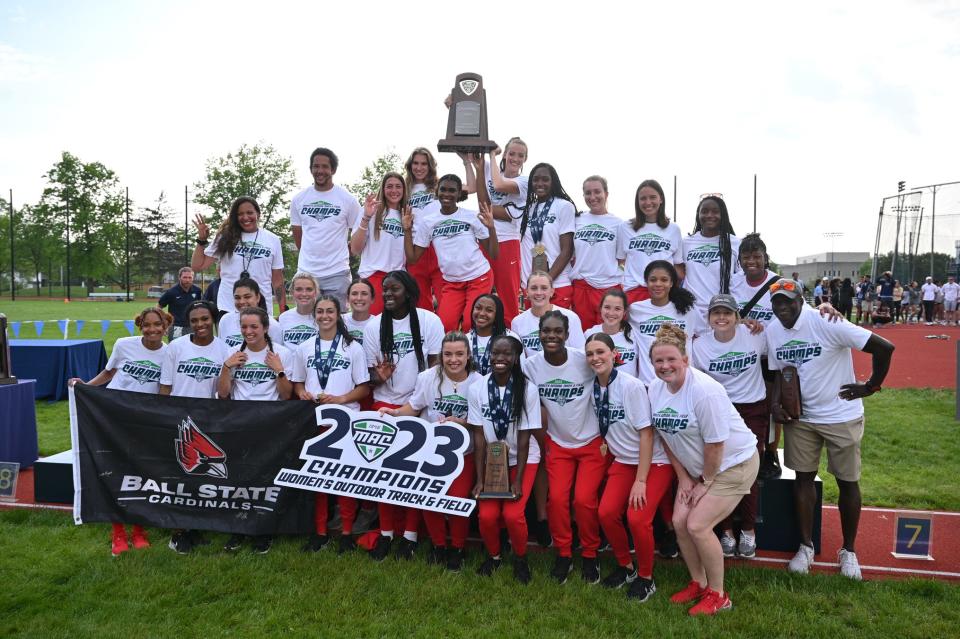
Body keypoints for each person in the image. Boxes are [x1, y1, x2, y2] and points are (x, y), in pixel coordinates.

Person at [765, 278, 894, 580]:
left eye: (788, 301)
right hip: (802, 418)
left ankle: (848, 551)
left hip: (840, 415)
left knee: (847, 482)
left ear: (802, 300)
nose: (783, 307)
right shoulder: (773, 330)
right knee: (803, 480)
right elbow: (775, 374)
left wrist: (871, 387)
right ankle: (806, 546)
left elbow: (884, 347)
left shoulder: (826, 320)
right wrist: (775, 405)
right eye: (777, 303)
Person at [647, 323, 759, 616]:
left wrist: (704, 482)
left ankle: (719, 595)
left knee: (697, 524)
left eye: (671, 359)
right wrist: (684, 479)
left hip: (734, 464)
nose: (665, 365)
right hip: (700, 470)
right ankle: (698, 582)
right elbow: (666, 434)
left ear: (686, 360)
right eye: (658, 360)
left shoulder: (705, 392)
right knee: (679, 521)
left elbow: (716, 445)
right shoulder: (656, 389)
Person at [69, 306, 172, 556]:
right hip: (114, 418)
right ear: (140, 326)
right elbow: (109, 372)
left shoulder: (170, 353)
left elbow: (165, 389)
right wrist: (86, 388)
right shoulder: (124, 344)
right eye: (146, 325)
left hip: (144, 422)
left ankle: (138, 530)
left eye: (157, 324)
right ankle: (117, 531)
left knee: (139, 473)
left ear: (165, 326)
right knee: (115, 472)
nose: (152, 329)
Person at [380, 331, 482, 571]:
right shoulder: (428, 377)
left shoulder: (479, 382)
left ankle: (458, 547)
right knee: (430, 499)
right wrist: (393, 413)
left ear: (468, 355)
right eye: (448, 354)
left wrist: (462, 422)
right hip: (431, 452)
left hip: (463, 453)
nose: (453, 359)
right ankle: (438, 546)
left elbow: (482, 423)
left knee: (457, 501)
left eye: (459, 354)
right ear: (441, 355)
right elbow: (414, 407)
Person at [362, 270, 444, 560]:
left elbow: (437, 368)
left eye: (393, 289)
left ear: (408, 292)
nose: (386, 295)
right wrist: (378, 377)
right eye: (384, 290)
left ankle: (409, 536)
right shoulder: (374, 327)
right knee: (382, 476)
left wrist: (420, 404)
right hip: (384, 406)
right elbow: (370, 375)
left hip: (419, 408)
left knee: (413, 477)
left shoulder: (428, 321)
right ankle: (386, 534)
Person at [586, 334, 671, 602]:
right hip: (624, 460)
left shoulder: (630, 386)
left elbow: (646, 434)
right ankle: (628, 567)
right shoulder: (593, 387)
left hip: (653, 461)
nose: (595, 358)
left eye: (601, 352)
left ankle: (646, 577)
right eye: (590, 354)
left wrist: (641, 480)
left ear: (614, 354)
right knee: (607, 512)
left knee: (637, 518)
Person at [523, 311, 605, 584]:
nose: (552, 336)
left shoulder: (584, 361)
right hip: (557, 443)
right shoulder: (531, 366)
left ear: (567, 335)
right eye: (546, 331)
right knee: (557, 500)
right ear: (539, 334)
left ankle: (591, 554)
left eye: (558, 331)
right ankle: (564, 553)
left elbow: (608, 382)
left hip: (591, 441)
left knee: (583, 501)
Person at [691, 294, 768, 560]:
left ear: (738, 316)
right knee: (719, 468)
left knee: (749, 468)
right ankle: (725, 531)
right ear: (709, 318)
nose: (721, 318)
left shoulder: (756, 334)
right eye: (716, 313)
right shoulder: (700, 346)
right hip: (720, 410)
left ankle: (748, 529)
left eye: (727, 313)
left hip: (753, 408)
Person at [290, 295, 369, 554]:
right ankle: (321, 533)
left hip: (345, 420)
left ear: (339, 314)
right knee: (318, 480)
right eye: (320, 311)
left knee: (345, 480)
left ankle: (346, 532)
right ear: (314, 315)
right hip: (315, 421)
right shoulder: (304, 347)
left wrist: (341, 398)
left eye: (330, 311)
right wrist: (301, 392)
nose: (324, 316)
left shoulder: (352, 348)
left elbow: (364, 387)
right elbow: (298, 381)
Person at [217, 306, 294, 554]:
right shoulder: (233, 353)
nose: (248, 332)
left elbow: (286, 395)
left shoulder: (281, 353)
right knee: (240, 476)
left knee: (267, 478)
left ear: (265, 328)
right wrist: (227, 367)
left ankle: (264, 529)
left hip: (271, 423)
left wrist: (279, 370)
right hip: (241, 422)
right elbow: (223, 393)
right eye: (244, 326)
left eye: (254, 327)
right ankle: (239, 528)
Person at [158, 300, 230, 554]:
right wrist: (163, 416)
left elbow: (223, 392)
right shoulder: (176, 347)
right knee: (178, 477)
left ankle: (196, 527)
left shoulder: (224, 350)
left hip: (208, 420)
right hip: (179, 417)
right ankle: (178, 533)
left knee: (200, 477)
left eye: (205, 319)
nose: (200, 325)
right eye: (194, 321)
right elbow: (165, 386)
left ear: (213, 320)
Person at [469, 334, 541, 584]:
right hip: (493, 459)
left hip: (523, 459)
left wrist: (518, 480)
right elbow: (478, 436)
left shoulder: (528, 388)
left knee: (512, 515)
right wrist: (480, 479)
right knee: (487, 516)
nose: (500, 358)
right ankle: (495, 556)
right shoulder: (477, 387)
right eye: (495, 353)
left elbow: (524, 436)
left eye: (506, 354)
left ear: (515, 357)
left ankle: (520, 558)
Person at [405, 173, 498, 332]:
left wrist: (491, 227)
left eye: (452, 190)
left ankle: (472, 355)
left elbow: (493, 253)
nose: (447, 194)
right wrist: (407, 230)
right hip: (452, 283)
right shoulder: (428, 222)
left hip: (478, 277)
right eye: (443, 190)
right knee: (444, 327)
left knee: (471, 324)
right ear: (437, 192)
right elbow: (413, 258)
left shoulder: (470, 216)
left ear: (458, 193)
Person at [192, 196, 285, 317]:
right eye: (240, 214)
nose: (245, 217)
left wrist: (283, 311)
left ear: (258, 213)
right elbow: (197, 266)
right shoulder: (225, 237)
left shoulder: (273, 240)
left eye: (250, 213)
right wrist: (201, 240)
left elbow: (277, 280)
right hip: (228, 307)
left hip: (260, 308)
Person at [289, 147, 361, 305]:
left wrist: (343, 252)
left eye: (324, 166)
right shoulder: (298, 199)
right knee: (307, 325)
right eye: (316, 166)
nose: (319, 170)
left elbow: (358, 236)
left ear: (333, 169)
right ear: (310, 169)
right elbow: (298, 239)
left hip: (337, 274)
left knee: (337, 323)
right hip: (306, 274)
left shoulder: (348, 200)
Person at [628, 260, 701, 386]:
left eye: (664, 280)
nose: (658, 284)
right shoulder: (635, 310)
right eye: (653, 280)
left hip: (683, 382)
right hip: (649, 384)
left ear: (671, 283)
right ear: (646, 282)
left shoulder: (687, 310)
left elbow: (708, 331)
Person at [481, 141, 529, 323]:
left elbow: (499, 186)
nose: (515, 158)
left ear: (525, 159)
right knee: (481, 292)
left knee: (508, 297)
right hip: (484, 238)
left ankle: (511, 342)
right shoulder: (490, 169)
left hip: (508, 242)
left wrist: (492, 155)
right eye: (512, 153)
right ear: (505, 154)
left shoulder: (524, 181)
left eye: (520, 155)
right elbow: (471, 151)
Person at [518, 163, 577, 309]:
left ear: (553, 182)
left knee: (555, 331)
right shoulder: (527, 209)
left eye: (545, 179)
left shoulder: (564, 206)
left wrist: (546, 283)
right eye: (536, 179)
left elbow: (567, 250)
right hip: (530, 288)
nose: (540, 183)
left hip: (556, 285)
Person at [617, 179, 685, 305]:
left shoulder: (673, 229)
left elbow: (678, 266)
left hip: (663, 292)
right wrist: (632, 276)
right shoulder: (625, 227)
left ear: (661, 199)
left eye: (653, 197)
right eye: (643, 198)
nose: (648, 202)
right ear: (637, 202)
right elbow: (621, 261)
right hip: (634, 291)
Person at [349, 172, 408, 315]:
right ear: (383, 189)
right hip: (373, 276)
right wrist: (366, 217)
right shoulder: (372, 211)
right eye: (389, 186)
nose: (394, 190)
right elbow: (355, 249)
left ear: (404, 190)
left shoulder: (407, 214)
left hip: (399, 279)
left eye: (398, 186)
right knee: (373, 326)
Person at [571, 176, 622, 328]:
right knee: (585, 337)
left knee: (609, 337)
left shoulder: (619, 224)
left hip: (609, 288)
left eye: (597, 192)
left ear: (606, 194)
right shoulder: (576, 219)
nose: (592, 197)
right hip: (582, 287)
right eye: (588, 193)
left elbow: (623, 260)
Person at [682, 195, 740, 322]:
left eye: (715, 211)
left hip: (722, 313)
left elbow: (741, 282)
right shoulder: (685, 243)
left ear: (723, 215)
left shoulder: (735, 243)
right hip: (692, 313)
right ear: (698, 214)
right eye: (704, 211)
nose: (709, 215)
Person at [511, 271, 585, 357]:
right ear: (527, 291)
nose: (538, 293)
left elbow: (580, 354)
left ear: (552, 292)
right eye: (534, 288)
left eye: (544, 288)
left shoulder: (570, 317)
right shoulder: (517, 322)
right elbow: (519, 358)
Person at [584, 288, 639, 378]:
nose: (611, 313)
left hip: (628, 389)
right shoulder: (589, 334)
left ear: (624, 312)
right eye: (607, 307)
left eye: (617, 309)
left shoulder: (634, 334)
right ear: (600, 308)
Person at [217, 278, 283, 348]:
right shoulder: (225, 320)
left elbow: (278, 353)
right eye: (237, 298)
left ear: (257, 297)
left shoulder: (272, 325)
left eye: (247, 297)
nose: (241, 301)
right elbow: (221, 351)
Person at [468, 293, 520, 376]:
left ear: (497, 314)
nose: (481, 313)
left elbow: (519, 370)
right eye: (478, 308)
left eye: (489, 310)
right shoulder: (465, 339)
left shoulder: (510, 338)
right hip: (471, 388)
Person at [157, 267, 201, 341]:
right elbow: (159, 307)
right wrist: (163, 323)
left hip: (193, 326)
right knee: (175, 350)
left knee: (193, 349)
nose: (187, 280)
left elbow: (200, 307)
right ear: (179, 277)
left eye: (190, 277)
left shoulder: (197, 291)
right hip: (176, 327)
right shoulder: (171, 292)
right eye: (185, 277)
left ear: (193, 278)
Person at [278, 272, 319, 348]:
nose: (304, 294)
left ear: (315, 292)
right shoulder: (283, 317)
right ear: (292, 292)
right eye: (298, 289)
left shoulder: (322, 317)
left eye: (309, 289)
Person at [343, 278, 375, 345]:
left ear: (372, 299)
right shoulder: (340, 321)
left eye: (364, 294)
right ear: (348, 298)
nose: (359, 298)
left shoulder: (379, 324)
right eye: (354, 294)